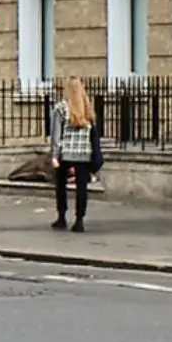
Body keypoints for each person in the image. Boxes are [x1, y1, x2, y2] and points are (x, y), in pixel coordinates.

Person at [49, 76, 100, 233]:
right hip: (84, 153)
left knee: (60, 186)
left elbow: (56, 135)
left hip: (66, 154)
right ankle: (79, 220)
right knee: (81, 188)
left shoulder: (61, 108)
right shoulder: (88, 109)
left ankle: (62, 217)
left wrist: (54, 155)